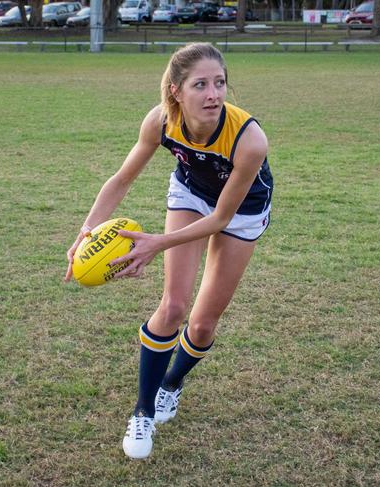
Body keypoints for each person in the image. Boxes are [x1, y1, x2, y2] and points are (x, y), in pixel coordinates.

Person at [64, 42, 273, 460]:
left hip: (241, 211)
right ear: (177, 90)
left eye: (219, 83)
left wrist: (156, 244)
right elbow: (122, 179)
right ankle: (142, 412)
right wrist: (87, 231)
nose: (214, 94)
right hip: (191, 194)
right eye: (200, 85)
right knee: (173, 306)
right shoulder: (161, 121)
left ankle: (172, 383)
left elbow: (219, 221)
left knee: (202, 323)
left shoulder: (250, 139)